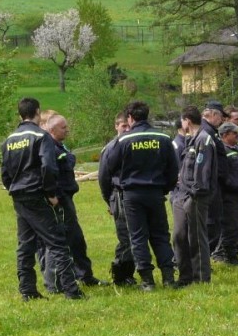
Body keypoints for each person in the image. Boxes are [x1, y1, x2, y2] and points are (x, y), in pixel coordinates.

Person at [1, 97, 83, 301]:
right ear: (37, 112)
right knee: (57, 242)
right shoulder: (41, 136)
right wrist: (50, 193)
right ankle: (71, 290)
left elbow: (5, 172)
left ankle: (27, 290)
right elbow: (48, 166)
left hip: (19, 196)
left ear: (20, 114)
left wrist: (13, 188)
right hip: (38, 194)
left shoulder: (9, 140)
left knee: (25, 245)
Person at [97, 100, 180, 290]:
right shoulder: (163, 137)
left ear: (130, 118)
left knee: (138, 237)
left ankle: (147, 281)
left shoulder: (123, 141)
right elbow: (173, 169)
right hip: (156, 193)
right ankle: (168, 277)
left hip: (132, 195)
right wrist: (164, 188)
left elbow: (110, 167)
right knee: (161, 235)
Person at [44, 114, 105, 287]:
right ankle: (55, 283)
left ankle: (84, 275)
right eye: (63, 127)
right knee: (60, 241)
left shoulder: (59, 146)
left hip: (67, 198)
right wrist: (54, 196)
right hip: (60, 199)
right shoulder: (50, 148)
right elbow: (52, 171)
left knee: (77, 239)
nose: (67, 130)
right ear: (52, 129)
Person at [171, 106, 217, 286]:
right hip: (181, 194)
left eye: (182, 120)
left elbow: (203, 171)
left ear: (187, 121)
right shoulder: (190, 140)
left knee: (196, 237)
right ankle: (185, 276)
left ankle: (200, 277)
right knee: (179, 236)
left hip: (196, 196)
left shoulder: (204, 140)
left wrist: (195, 194)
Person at [98, 111, 136, 286]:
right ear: (116, 126)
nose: (127, 129)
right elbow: (103, 178)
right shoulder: (110, 148)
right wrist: (110, 201)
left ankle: (130, 272)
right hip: (118, 196)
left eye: (129, 126)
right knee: (125, 236)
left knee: (135, 236)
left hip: (134, 195)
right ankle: (121, 274)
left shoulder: (134, 144)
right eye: (123, 126)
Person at [218, 121, 238, 266]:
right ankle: (229, 256)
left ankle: (235, 254)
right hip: (230, 196)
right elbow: (223, 175)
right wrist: (236, 186)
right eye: (234, 133)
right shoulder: (222, 151)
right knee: (230, 226)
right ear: (225, 135)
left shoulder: (235, 148)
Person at [201, 101, 229, 257]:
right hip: (210, 185)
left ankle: (204, 258)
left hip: (214, 184)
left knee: (213, 223)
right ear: (212, 114)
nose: (222, 120)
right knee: (211, 223)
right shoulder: (206, 132)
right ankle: (203, 259)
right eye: (220, 116)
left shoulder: (211, 131)